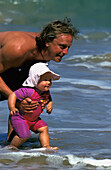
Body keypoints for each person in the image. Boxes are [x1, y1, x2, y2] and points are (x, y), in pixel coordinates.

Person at [0, 18, 79, 140]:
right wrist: (15, 98)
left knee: (26, 94)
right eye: (62, 46)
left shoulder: (45, 52)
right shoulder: (18, 49)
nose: (66, 52)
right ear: (48, 41)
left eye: (68, 47)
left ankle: (12, 145)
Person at [8, 62, 60, 150]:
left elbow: (49, 98)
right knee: (24, 135)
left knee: (44, 128)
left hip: (34, 120)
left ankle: (46, 146)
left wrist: (50, 104)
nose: (48, 82)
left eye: (49, 80)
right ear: (35, 80)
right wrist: (12, 107)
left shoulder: (45, 92)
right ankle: (11, 147)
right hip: (21, 118)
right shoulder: (28, 91)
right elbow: (13, 95)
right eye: (45, 80)